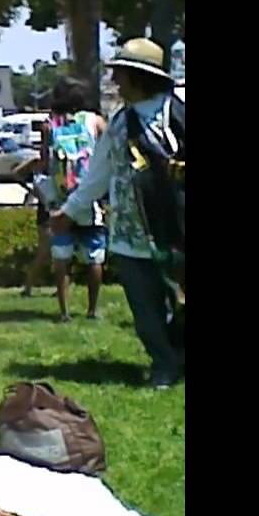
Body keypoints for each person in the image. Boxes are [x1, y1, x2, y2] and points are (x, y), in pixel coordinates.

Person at [49, 38, 183, 389]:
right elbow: (98, 175)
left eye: (121, 75)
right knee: (145, 309)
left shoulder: (178, 115)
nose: (116, 83)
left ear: (140, 77)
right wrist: (70, 210)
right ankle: (165, 364)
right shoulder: (121, 122)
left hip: (175, 230)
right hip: (129, 233)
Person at [37, 77, 108, 322]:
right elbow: (110, 153)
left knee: (61, 257)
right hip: (90, 198)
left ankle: (64, 311)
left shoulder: (50, 126)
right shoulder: (95, 121)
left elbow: (45, 162)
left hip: (60, 200)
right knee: (94, 257)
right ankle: (92, 309)